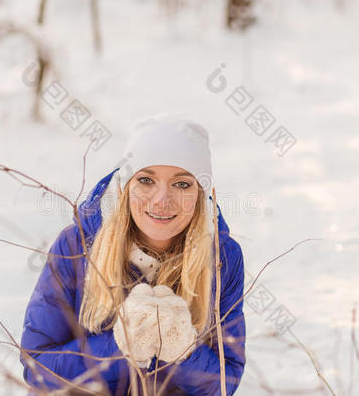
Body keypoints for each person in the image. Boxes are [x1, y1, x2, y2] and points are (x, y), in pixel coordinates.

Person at [20, 114, 246, 395]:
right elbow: (36, 368)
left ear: (201, 193)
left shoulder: (222, 257)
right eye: (146, 180)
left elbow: (225, 383)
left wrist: (181, 351)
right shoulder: (77, 245)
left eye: (182, 184)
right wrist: (120, 346)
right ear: (126, 186)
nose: (161, 200)